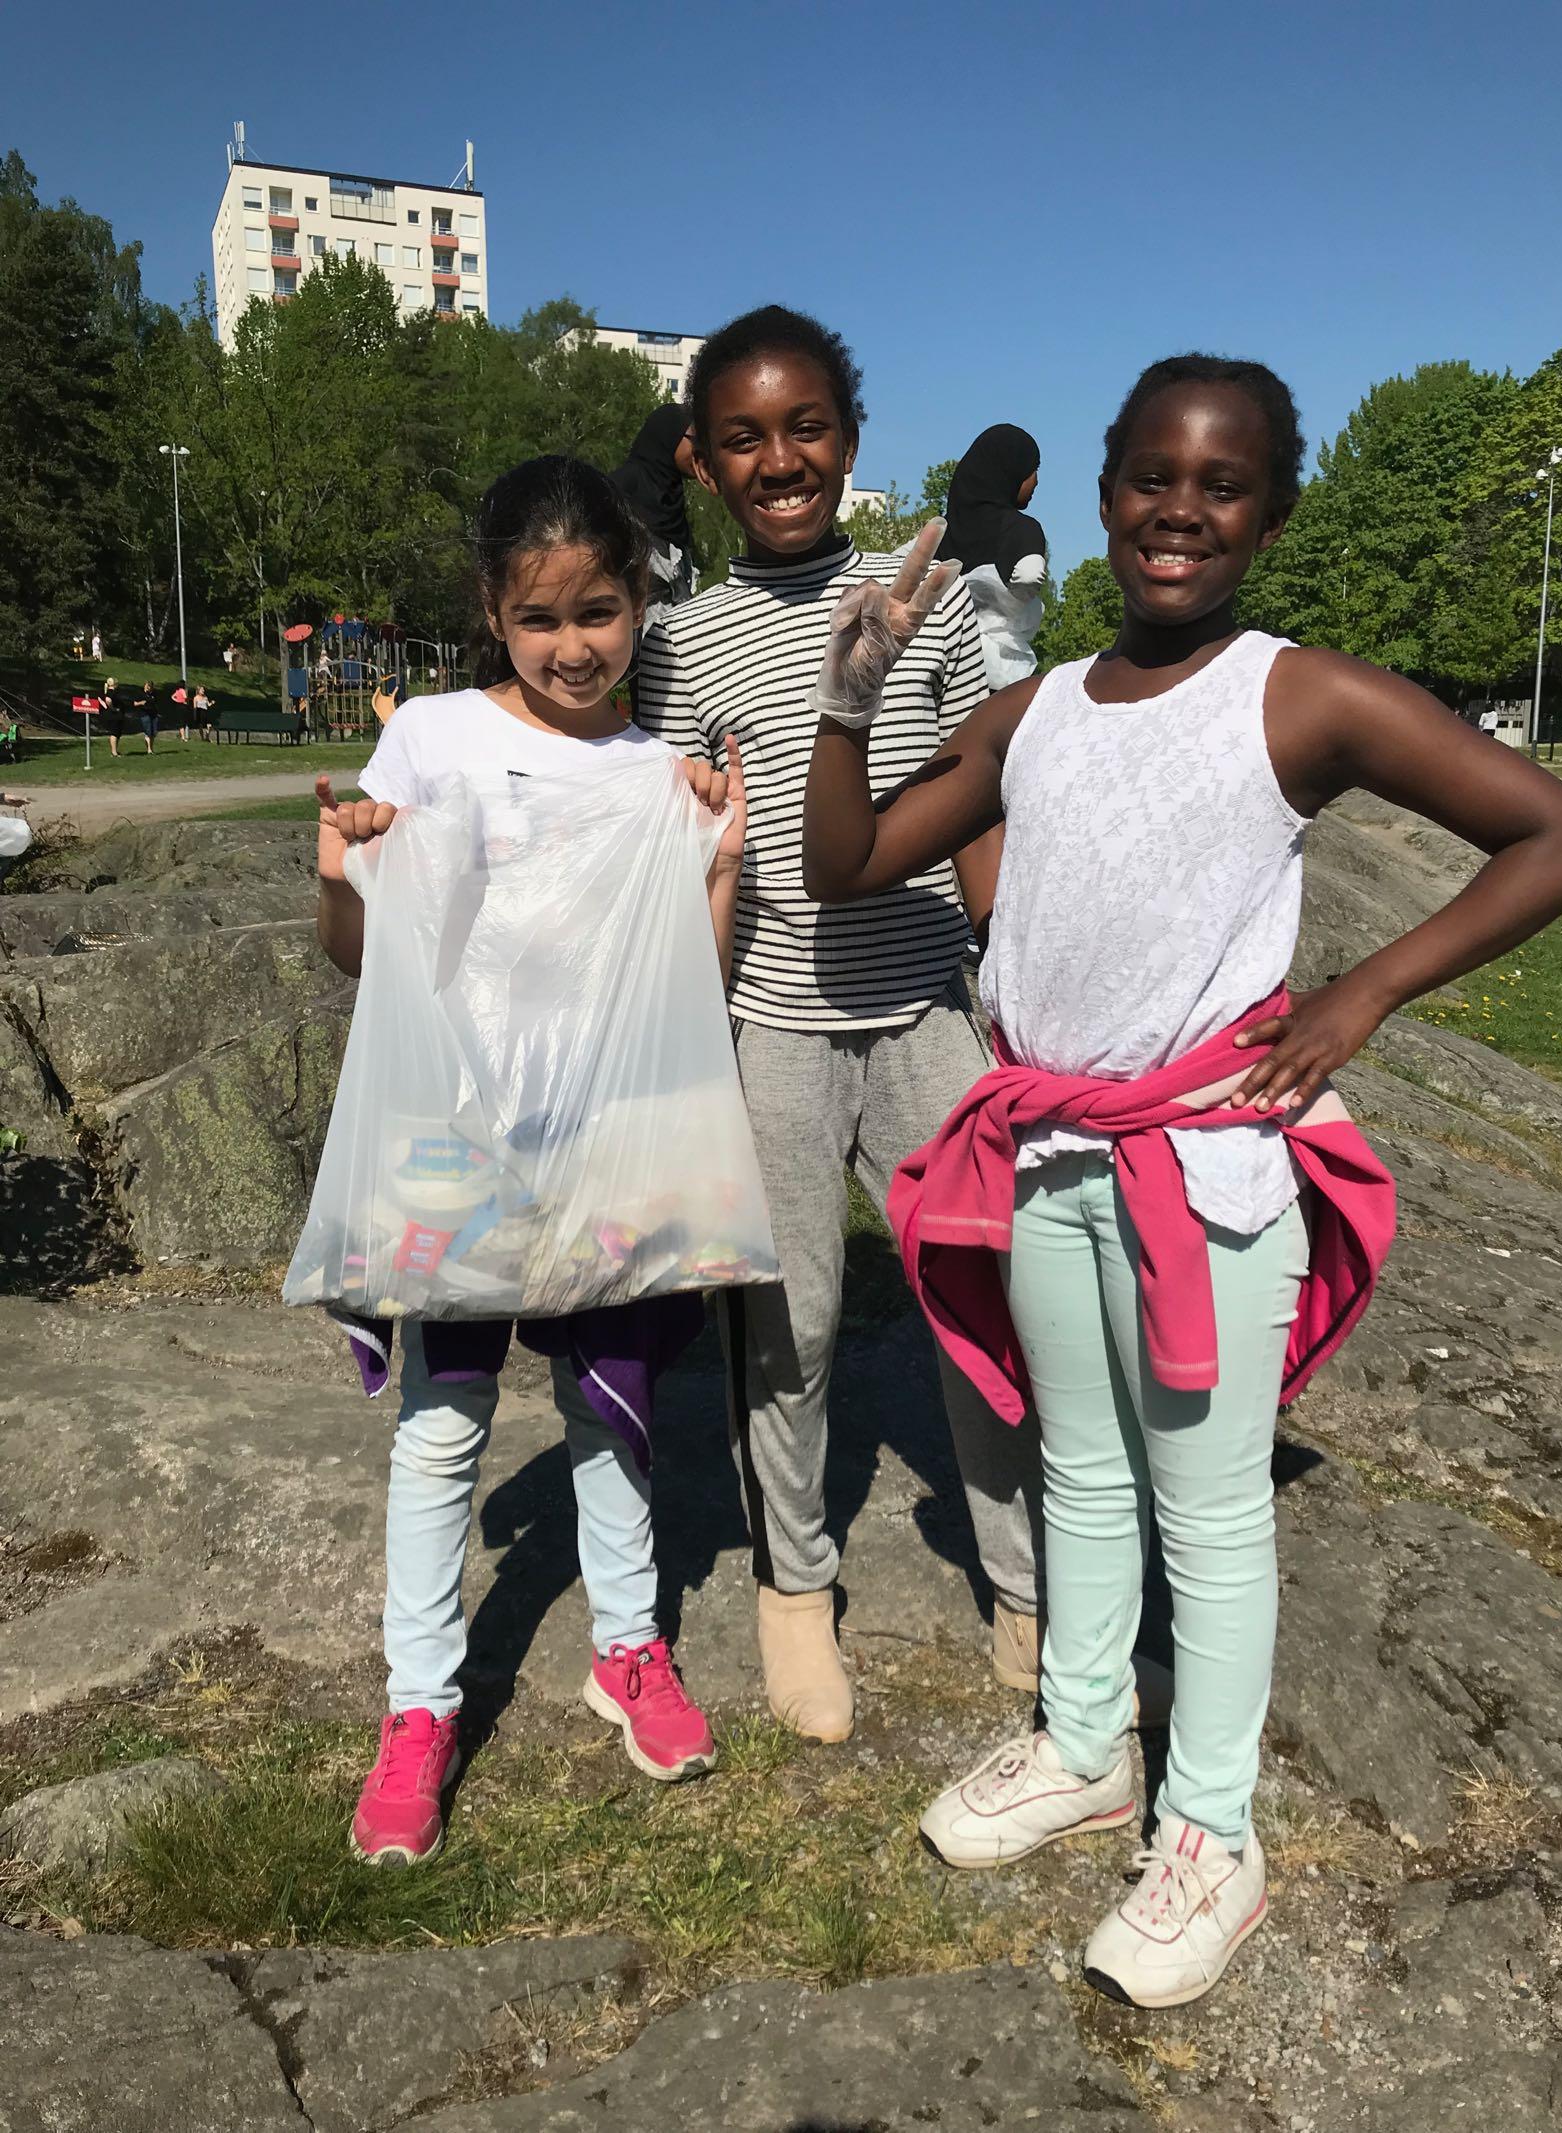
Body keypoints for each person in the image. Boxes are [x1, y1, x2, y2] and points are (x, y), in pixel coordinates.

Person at [800, 353, 1562, 2007]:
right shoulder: (1040, 707)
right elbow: (851, 860)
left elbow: (1561, 832)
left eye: (1220, 483)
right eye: (1153, 475)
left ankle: (1214, 1830)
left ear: (1268, 512)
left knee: (1211, 1508)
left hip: (1206, 1168)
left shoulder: (1295, 694)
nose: (1181, 506)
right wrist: (850, 696)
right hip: (1051, 1150)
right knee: (1081, 1467)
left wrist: (1361, 991)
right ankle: (1090, 1740)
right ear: (1103, 496)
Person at [313, 455, 746, 1865]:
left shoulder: (652, 773)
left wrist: (721, 858)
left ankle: (627, 1647)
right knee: (443, 1431)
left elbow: (703, 970)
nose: (574, 645)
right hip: (453, 1138)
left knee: (609, 1408)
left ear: (640, 606)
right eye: (541, 616)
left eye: (602, 611)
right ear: (495, 610)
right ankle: (419, 1706)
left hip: (606, 1136)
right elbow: (358, 959)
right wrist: (343, 869)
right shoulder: (432, 740)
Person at [633, 306, 1045, 1745]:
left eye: (806, 426)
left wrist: (1009, 981)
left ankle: (1026, 1586)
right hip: (776, 1029)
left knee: (985, 1306)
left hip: (927, 1005)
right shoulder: (679, 640)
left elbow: (968, 796)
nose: (781, 457)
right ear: (703, 462)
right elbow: (687, 844)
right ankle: (794, 1588)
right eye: (743, 436)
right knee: (790, 1322)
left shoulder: (913, 593)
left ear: (850, 442)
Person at [937, 426, 1049, 690]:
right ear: (1011, 472)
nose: (1036, 481)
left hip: (945, 667)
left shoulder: (941, 532)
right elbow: (1029, 575)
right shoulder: (1022, 528)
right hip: (1000, 673)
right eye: (1033, 470)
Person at [610, 405, 699, 630]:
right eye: (696, 441)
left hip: (672, 638)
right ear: (668, 437)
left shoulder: (670, 499)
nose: (702, 451)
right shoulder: (620, 490)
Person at [100, 677, 125, 758]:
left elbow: (101, 700)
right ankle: (114, 752)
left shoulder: (109, 691)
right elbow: (108, 700)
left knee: (117, 733)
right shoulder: (111, 692)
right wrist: (112, 708)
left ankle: (115, 751)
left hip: (116, 715)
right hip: (114, 715)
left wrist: (107, 707)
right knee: (114, 733)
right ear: (115, 684)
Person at [134, 679, 160, 754]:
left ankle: (151, 748)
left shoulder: (154, 694)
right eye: (147, 686)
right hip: (144, 714)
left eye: (150, 687)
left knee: (153, 732)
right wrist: (141, 703)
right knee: (148, 731)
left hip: (153, 714)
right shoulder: (140, 694)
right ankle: (149, 749)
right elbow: (135, 703)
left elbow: (156, 703)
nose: (148, 688)